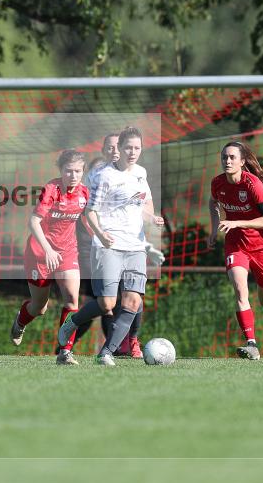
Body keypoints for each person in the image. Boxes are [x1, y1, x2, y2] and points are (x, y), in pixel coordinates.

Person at [58, 126, 164, 365]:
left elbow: (144, 204)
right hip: (109, 246)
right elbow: (90, 211)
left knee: (133, 301)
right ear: (120, 148)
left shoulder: (141, 173)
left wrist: (152, 218)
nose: (132, 152)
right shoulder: (105, 176)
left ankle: (106, 352)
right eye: (128, 148)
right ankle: (72, 322)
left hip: (135, 246)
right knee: (107, 303)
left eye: (137, 148)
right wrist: (101, 234)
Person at [10, 150, 89, 365]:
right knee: (40, 307)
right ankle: (20, 321)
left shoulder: (84, 193)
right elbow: (33, 222)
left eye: (78, 171)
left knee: (72, 300)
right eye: (69, 171)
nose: (73, 175)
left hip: (67, 252)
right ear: (61, 170)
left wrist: (100, 236)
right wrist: (48, 250)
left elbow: (88, 218)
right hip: (40, 252)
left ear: (83, 171)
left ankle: (65, 352)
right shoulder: (52, 189)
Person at [207, 141, 263, 360]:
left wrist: (237, 222)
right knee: (240, 290)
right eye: (224, 157)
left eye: (232, 157)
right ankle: (252, 344)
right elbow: (213, 203)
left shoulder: (253, 185)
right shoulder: (218, 183)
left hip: (262, 247)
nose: (227, 161)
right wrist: (214, 229)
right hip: (236, 245)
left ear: (242, 161)